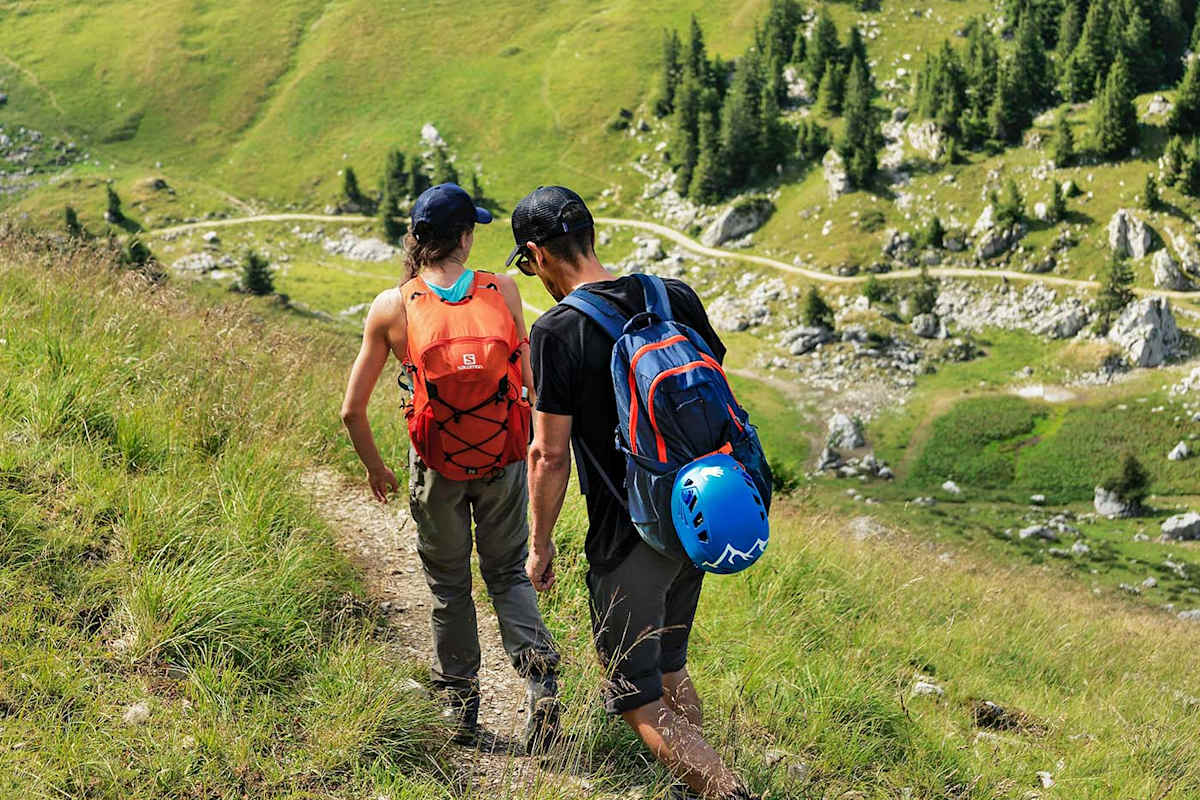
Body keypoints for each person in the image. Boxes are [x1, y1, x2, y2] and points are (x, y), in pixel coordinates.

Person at [511, 186, 759, 800]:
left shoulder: (557, 331)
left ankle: (725, 791)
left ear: (538, 255)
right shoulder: (671, 295)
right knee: (670, 665)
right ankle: (693, 789)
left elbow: (548, 454)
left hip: (630, 536)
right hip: (699, 515)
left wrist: (538, 545)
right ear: (591, 236)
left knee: (636, 695)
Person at [340, 182, 561, 753]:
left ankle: (460, 707)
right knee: (508, 572)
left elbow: (351, 410)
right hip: (504, 459)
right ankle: (540, 681)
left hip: (436, 465)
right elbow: (533, 386)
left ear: (417, 238)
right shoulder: (504, 290)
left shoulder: (393, 306)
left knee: (448, 585)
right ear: (466, 238)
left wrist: (376, 469)